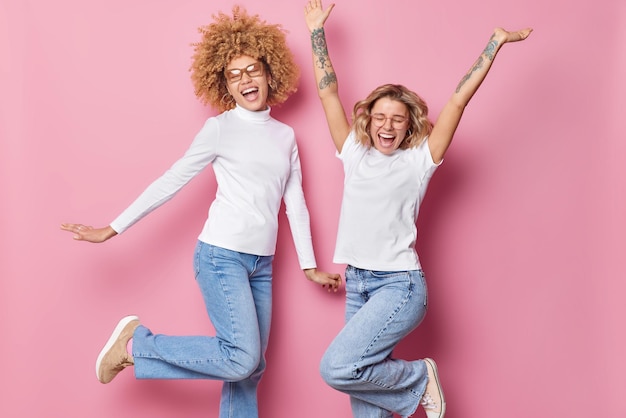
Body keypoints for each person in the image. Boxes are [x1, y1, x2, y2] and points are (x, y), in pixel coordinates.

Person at [61, 6, 341, 418]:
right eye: (234, 74)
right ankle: (138, 346)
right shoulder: (219, 129)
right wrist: (112, 229)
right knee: (242, 357)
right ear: (224, 85)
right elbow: (171, 181)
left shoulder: (285, 136)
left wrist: (309, 266)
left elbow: (294, 203)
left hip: (261, 263)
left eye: (253, 69)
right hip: (221, 255)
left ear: (270, 72)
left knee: (248, 368)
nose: (246, 79)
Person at [304, 1, 532, 417]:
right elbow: (327, 91)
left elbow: (458, 102)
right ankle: (412, 386)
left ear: (410, 124)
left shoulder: (419, 160)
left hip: (400, 286)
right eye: (380, 117)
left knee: (337, 367)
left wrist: (494, 44)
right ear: (368, 121)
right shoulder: (352, 152)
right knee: (364, 395)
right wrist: (316, 31)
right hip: (358, 285)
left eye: (397, 119)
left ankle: (419, 377)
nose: (387, 126)